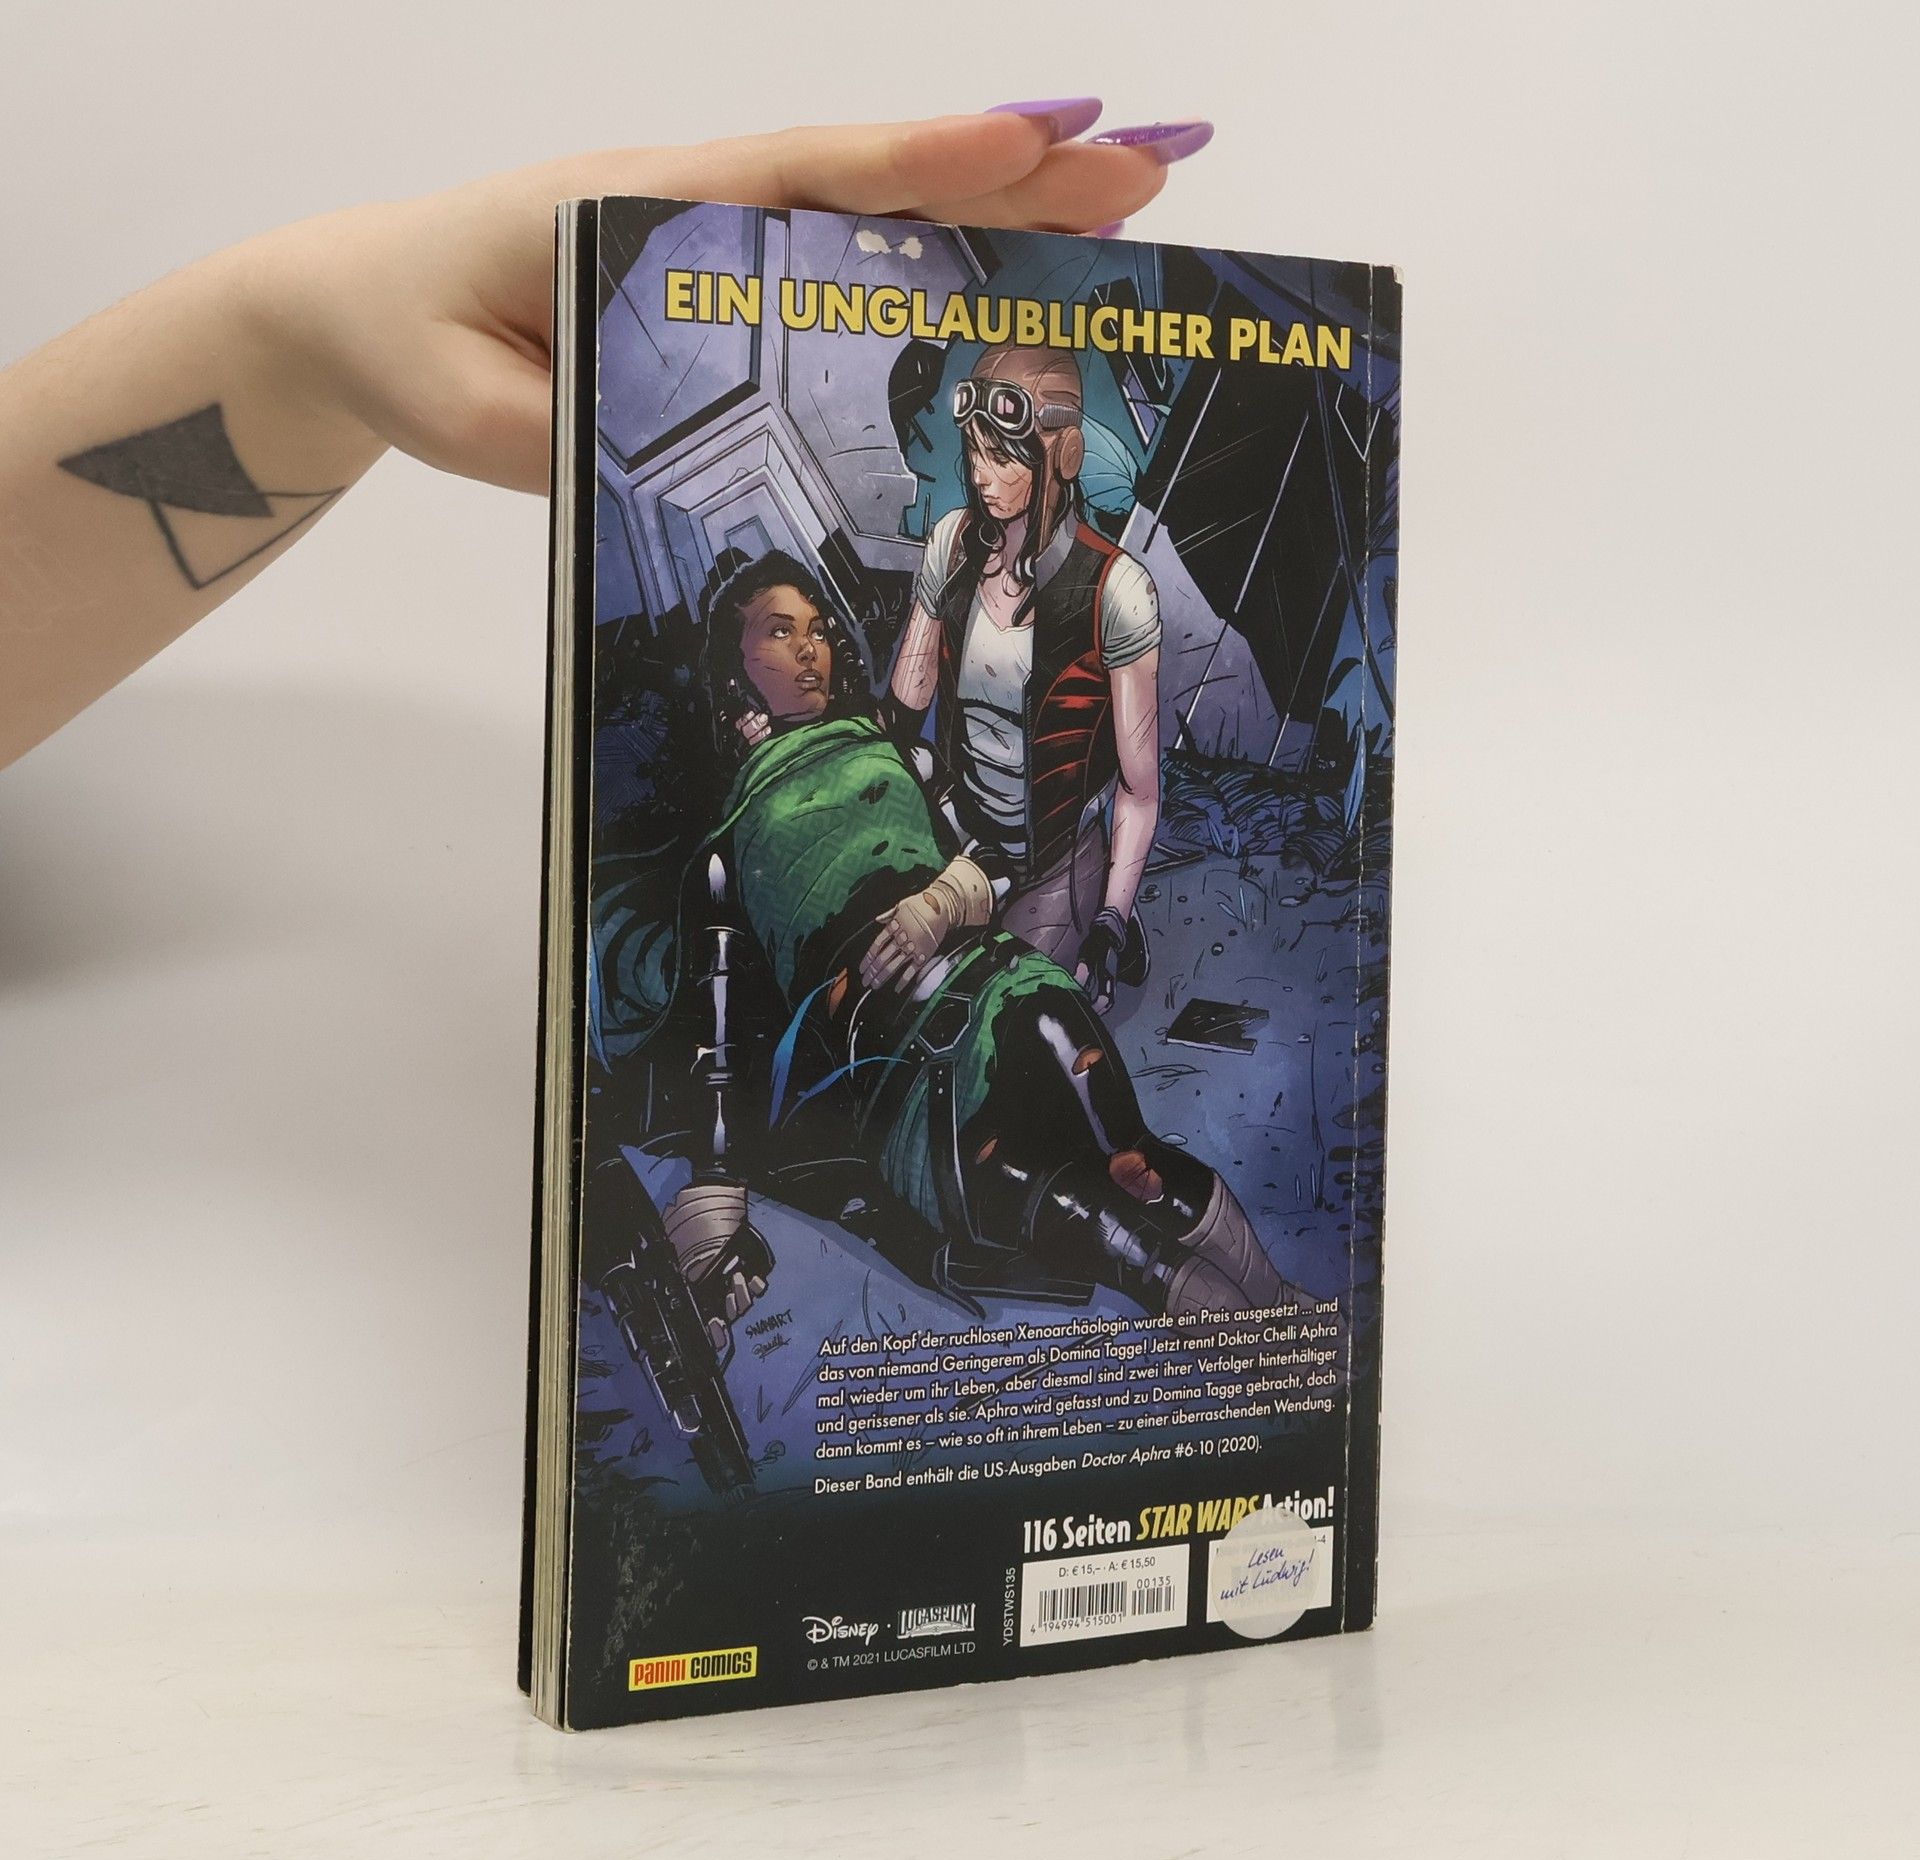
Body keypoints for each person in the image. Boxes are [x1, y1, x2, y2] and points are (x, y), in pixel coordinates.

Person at [0, 105, 1213, 768]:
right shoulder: (940, 565)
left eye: (1006, 441)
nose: (976, 469)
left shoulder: (1108, 582)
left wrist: (295, 342)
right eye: (966, 439)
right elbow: (908, 701)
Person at [597, 552, 1301, 1342]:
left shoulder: (900, 756)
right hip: (897, 1087)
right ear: (735, 671)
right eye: (780, 632)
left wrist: (946, 900)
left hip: (1006, 993)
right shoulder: (726, 848)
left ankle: (1290, 1319)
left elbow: (996, 853)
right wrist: (716, 1185)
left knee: (1135, 1164)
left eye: (818, 630)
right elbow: (718, 1032)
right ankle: (1272, 1352)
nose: (809, 649)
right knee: (1095, 1229)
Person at [884, 344, 1161, 1011]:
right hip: (958, 836)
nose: (982, 476)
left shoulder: (1117, 589)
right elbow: (900, 715)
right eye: (975, 451)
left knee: (1006, 1017)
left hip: (1054, 862)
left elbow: (1139, 790)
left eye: (1003, 457)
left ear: (1063, 456)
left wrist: (1110, 922)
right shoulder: (951, 546)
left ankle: (1104, 910)